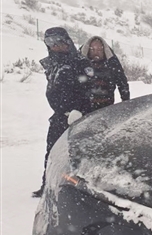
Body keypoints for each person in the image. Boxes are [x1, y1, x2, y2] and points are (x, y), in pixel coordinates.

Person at [33, 27, 90, 198]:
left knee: (75, 154)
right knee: (51, 151)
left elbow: (90, 90)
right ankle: (48, 184)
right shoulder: (52, 62)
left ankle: (77, 189)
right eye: (50, 42)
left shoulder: (80, 62)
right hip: (59, 116)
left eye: (58, 41)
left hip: (77, 117)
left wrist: (80, 110)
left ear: (67, 41)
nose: (55, 46)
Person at [80, 36, 130, 112]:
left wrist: (126, 102)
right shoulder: (80, 64)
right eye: (93, 49)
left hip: (107, 109)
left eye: (99, 50)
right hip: (85, 110)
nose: (96, 52)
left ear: (104, 50)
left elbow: (122, 82)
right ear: (88, 50)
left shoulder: (112, 63)